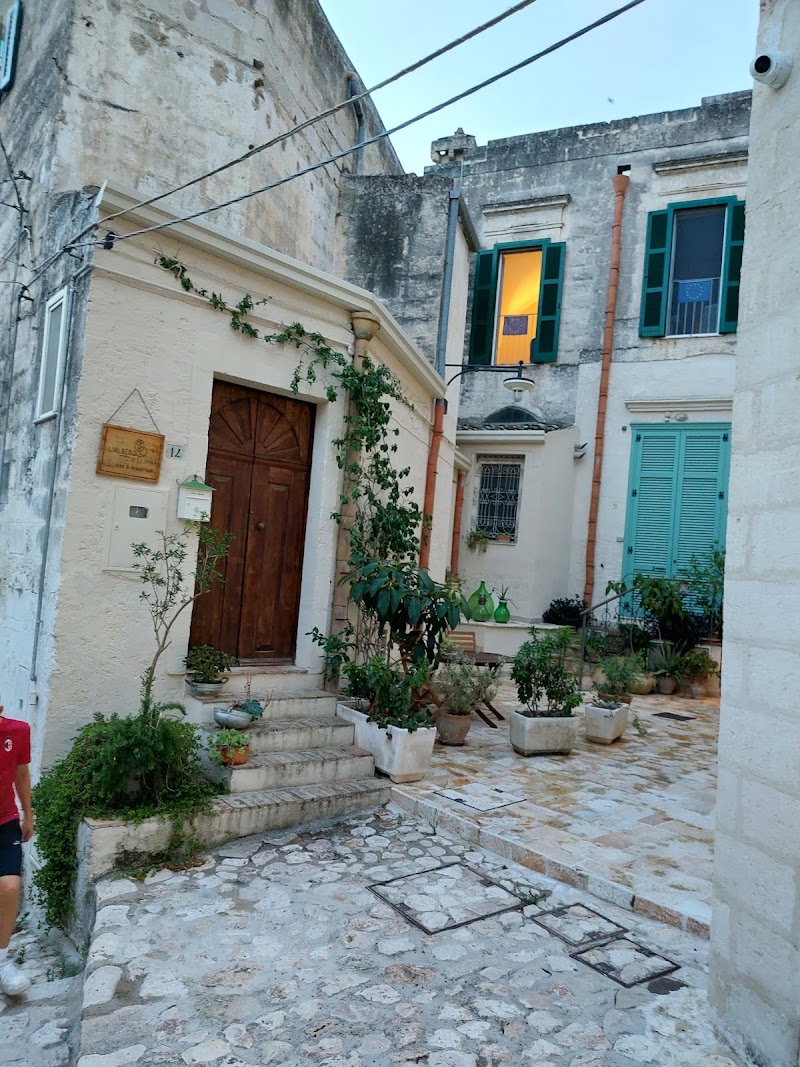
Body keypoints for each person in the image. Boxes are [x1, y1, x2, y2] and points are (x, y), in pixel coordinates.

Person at [0, 703, 33, 996]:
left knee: (10, 887)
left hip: (5, 822)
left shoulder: (17, 731)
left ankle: (2, 962)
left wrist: (28, 814)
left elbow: (21, 774)